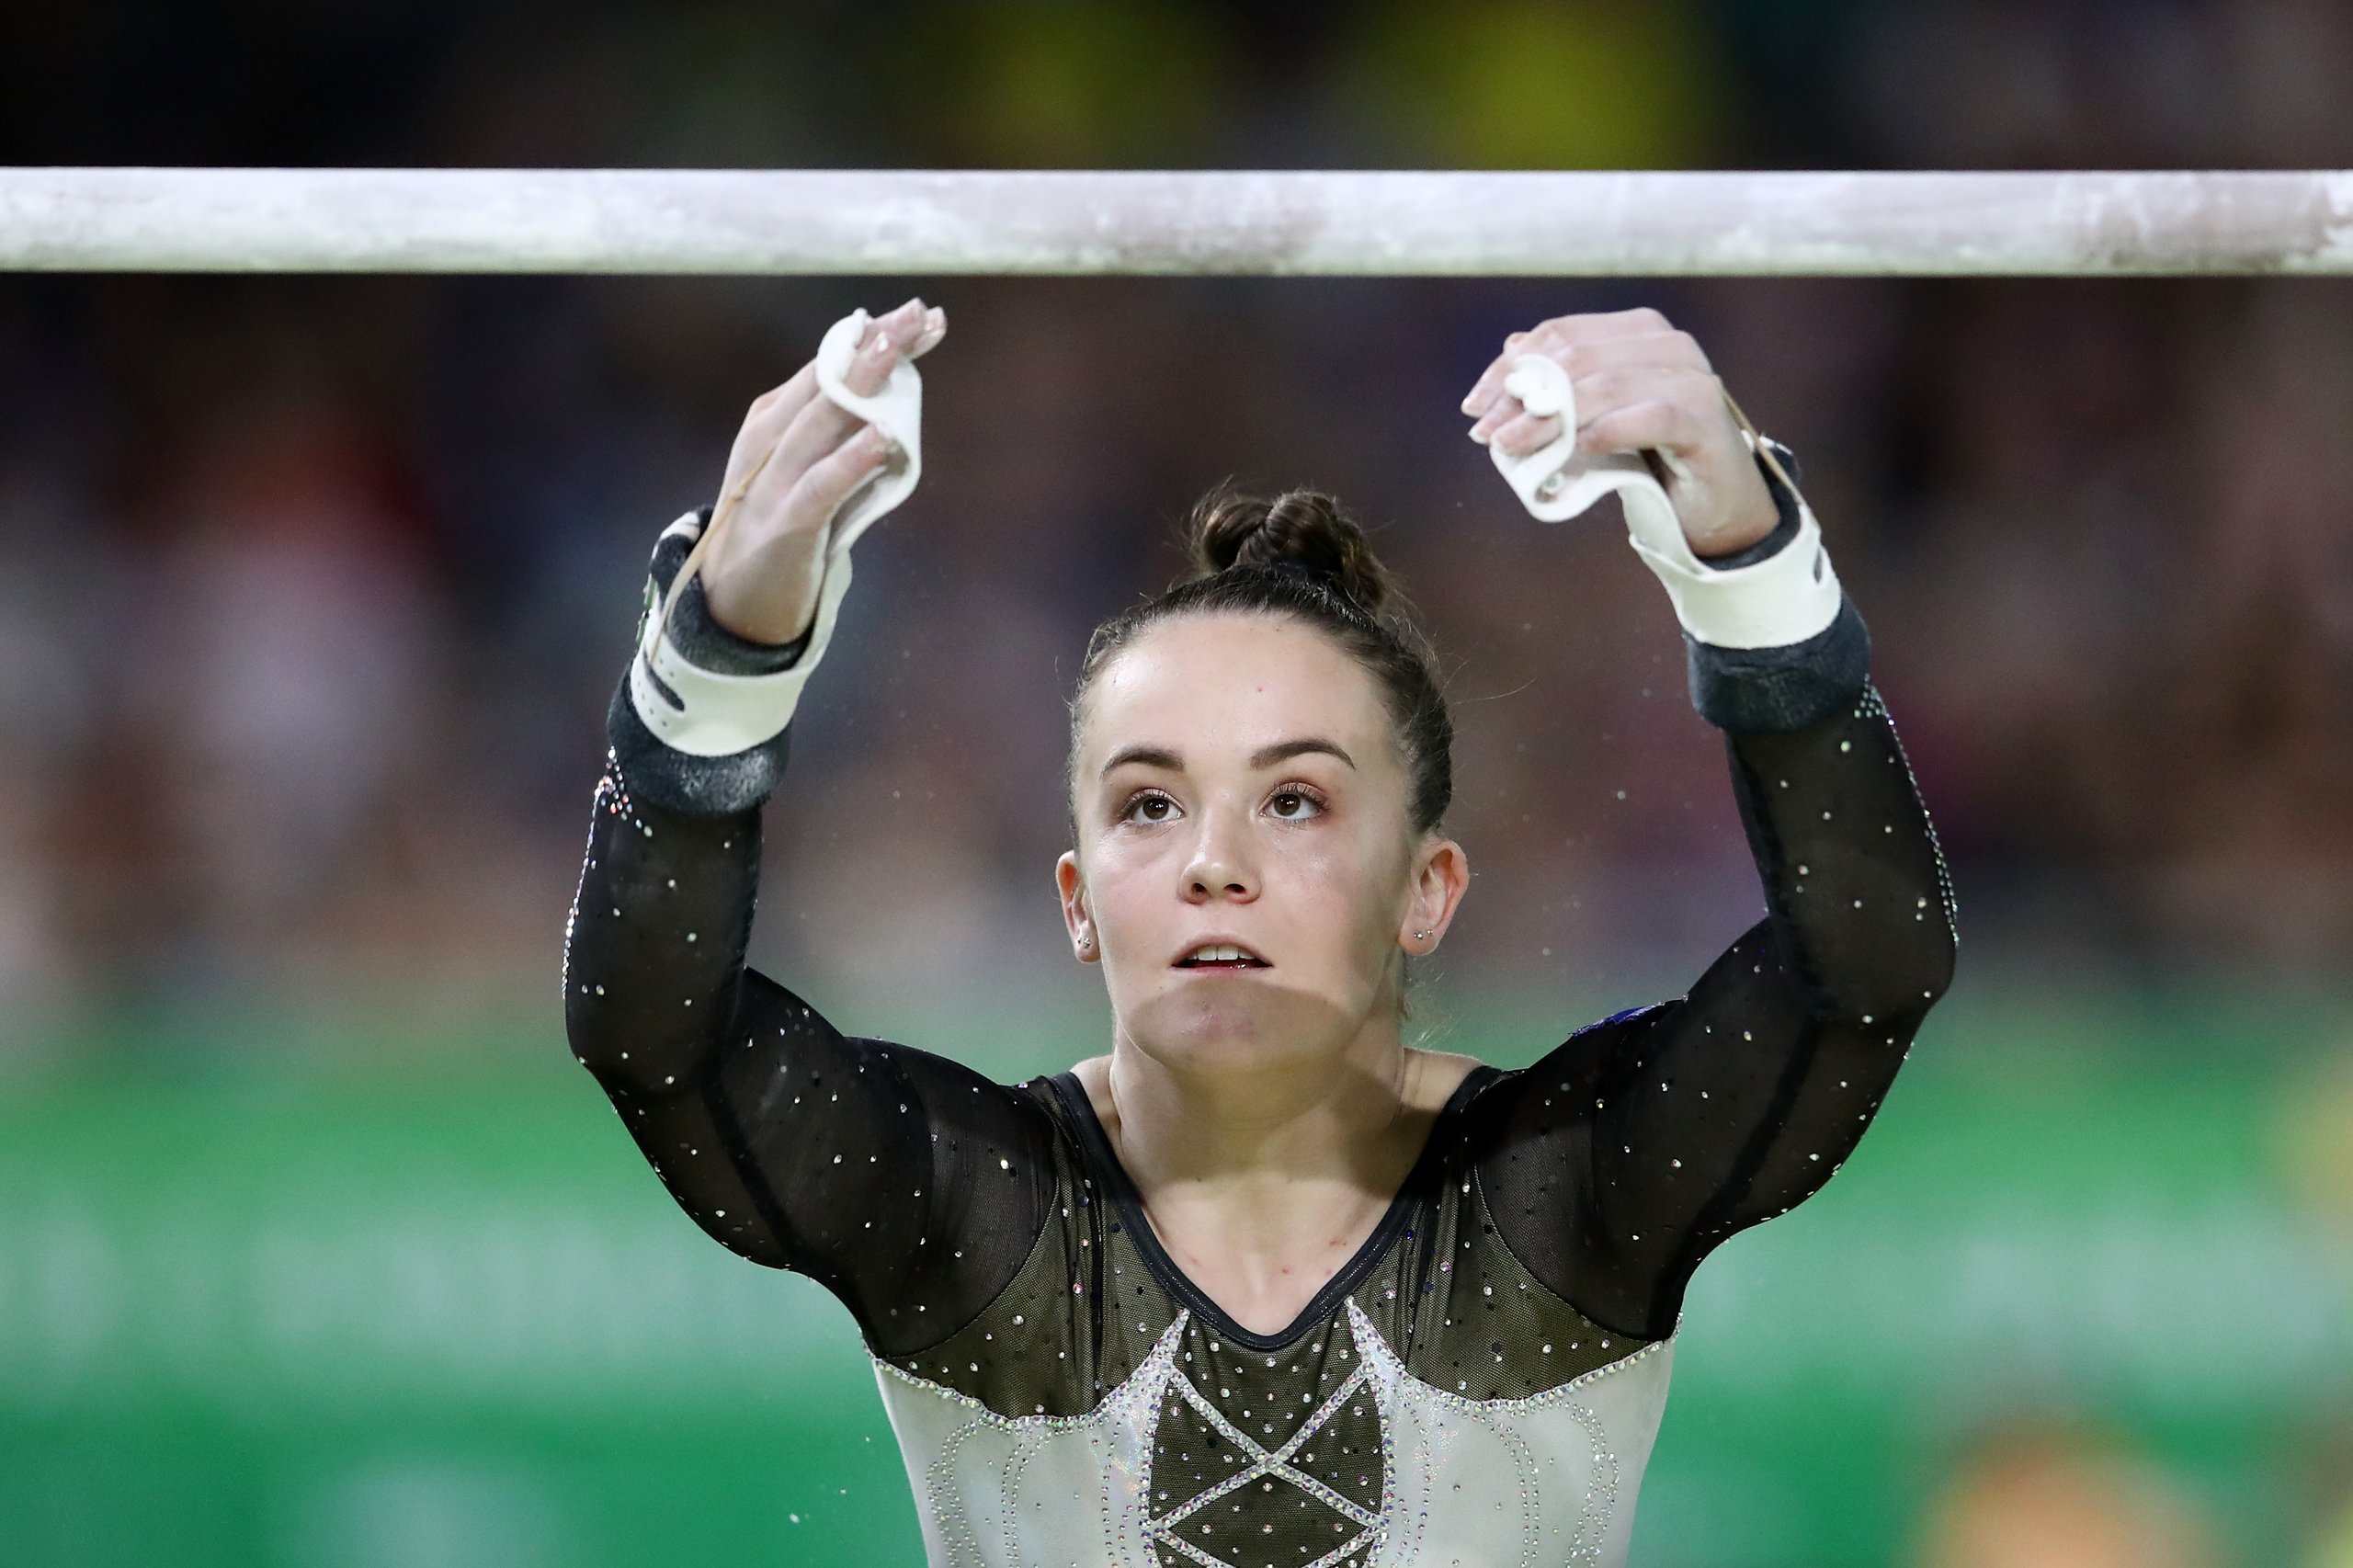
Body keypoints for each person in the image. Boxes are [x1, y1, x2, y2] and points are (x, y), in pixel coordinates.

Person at [563, 295, 1957, 1567]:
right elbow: (653, 1031)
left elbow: (1867, 966)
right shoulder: (973, 1214)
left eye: (1294, 801)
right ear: (1077, 901)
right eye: (1149, 803)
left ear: (1430, 887)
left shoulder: (1561, 1198)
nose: (1214, 863)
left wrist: (1751, 563)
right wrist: (715, 661)